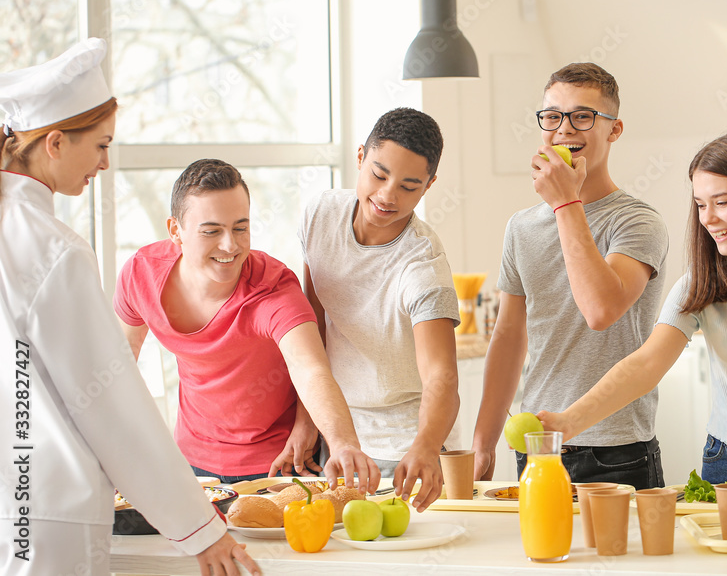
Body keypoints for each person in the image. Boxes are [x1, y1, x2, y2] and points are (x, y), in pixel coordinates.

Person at [0, 38, 258, 575]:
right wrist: (200, 530)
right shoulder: (54, 249)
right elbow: (109, 402)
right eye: (99, 145)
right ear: (53, 143)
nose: (105, 162)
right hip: (49, 512)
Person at [538, 131, 727, 491]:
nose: (708, 218)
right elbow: (645, 364)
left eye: (722, 202)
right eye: (700, 205)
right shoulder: (701, 284)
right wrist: (568, 421)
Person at [115, 158, 380, 489]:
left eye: (240, 228)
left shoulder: (272, 289)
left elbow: (311, 369)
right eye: (211, 231)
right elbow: (120, 362)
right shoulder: (141, 274)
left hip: (277, 465)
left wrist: (343, 444)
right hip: (191, 462)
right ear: (175, 231)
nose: (230, 245)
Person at [471, 62, 668, 489]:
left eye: (583, 116)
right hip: (538, 445)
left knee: (625, 558)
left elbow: (601, 309)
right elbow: (508, 337)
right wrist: (484, 439)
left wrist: (565, 204)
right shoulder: (521, 227)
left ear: (614, 130)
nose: (564, 129)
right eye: (553, 116)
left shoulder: (637, 222)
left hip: (617, 448)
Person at [299, 107, 460, 512]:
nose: (388, 195)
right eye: (379, 174)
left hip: (403, 449)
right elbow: (309, 327)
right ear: (359, 157)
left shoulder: (423, 264)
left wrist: (425, 447)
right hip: (335, 436)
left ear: (429, 186)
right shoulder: (319, 216)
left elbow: (442, 374)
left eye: (409, 186)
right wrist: (306, 421)